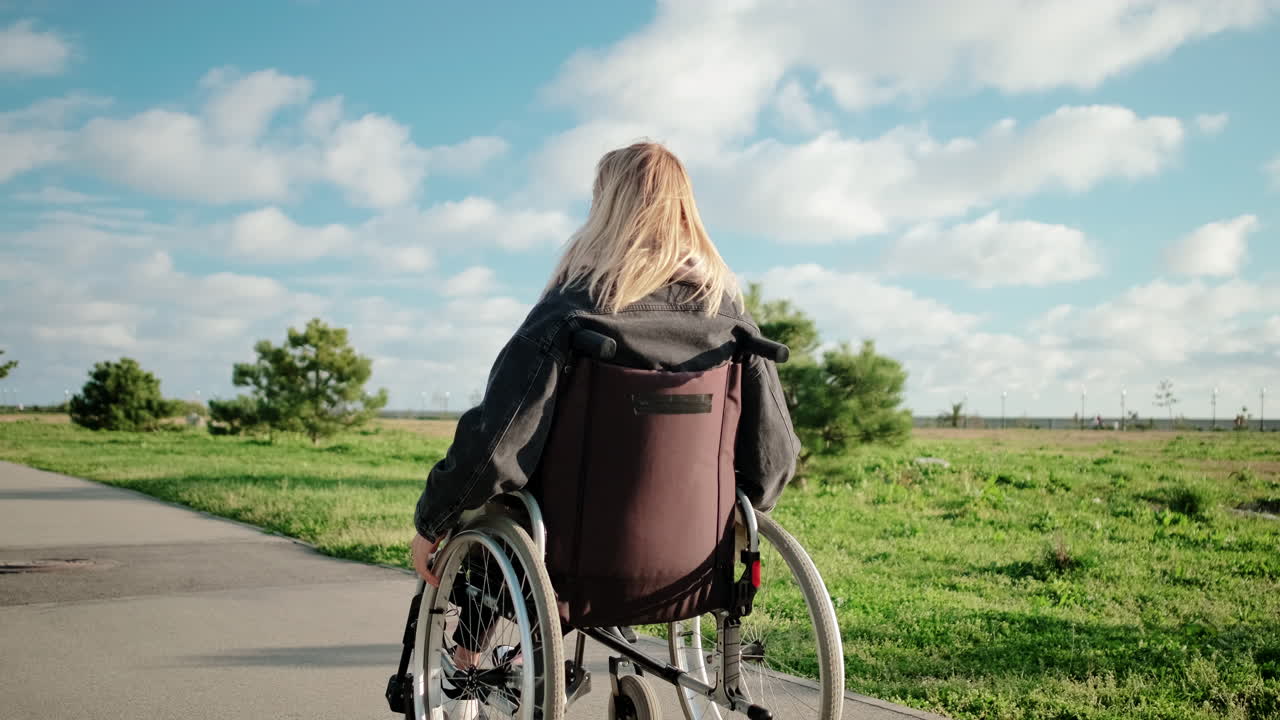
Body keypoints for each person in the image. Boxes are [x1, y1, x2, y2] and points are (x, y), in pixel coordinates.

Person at [409, 141, 800, 594]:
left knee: (498, 506)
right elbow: (776, 455)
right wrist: (738, 509)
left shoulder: (572, 310)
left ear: (605, 208)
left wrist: (434, 518)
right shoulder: (730, 319)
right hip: (692, 557)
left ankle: (470, 653)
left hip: (571, 552)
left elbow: (497, 447)